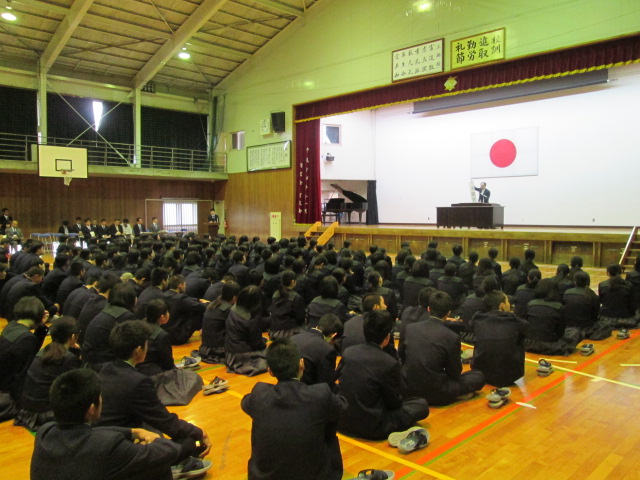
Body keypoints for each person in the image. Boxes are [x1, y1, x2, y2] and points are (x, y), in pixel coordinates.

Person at [30, 369, 195, 480]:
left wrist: (132, 432)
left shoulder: (45, 432)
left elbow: (94, 433)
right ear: (92, 409)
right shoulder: (107, 445)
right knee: (158, 467)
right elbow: (167, 452)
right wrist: (158, 440)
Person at [96, 321, 212, 460]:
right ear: (139, 350)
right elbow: (167, 422)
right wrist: (199, 433)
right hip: (118, 448)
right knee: (193, 443)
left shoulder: (106, 368)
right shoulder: (138, 382)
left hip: (103, 437)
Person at [241, 338, 347, 480]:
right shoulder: (320, 394)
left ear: (270, 371)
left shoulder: (260, 394)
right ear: (302, 364)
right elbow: (342, 406)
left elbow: (245, 403)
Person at [337, 309, 429, 440]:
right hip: (372, 427)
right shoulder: (389, 363)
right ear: (387, 337)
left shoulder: (348, 352)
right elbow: (394, 403)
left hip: (343, 420)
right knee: (420, 405)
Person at [400, 291, 485, 406]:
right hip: (436, 392)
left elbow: (402, 357)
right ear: (448, 313)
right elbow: (455, 373)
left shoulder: (410, 328)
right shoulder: (452, 337)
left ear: (429, 309)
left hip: (408, 387)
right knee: (478, 376)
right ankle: (455, 395)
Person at [14, 316, 81, 431]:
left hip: (25, 410)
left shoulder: (45, 350)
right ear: (73, 336)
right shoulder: (68, 359)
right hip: (44, 414)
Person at [0, 296, 48, 422]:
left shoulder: (12, 326)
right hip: (6, 391)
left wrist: (41, 327)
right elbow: (21, 375)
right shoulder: (27, 339)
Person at [470, 290, 528, 387]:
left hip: (480, 372)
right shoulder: (513, 319)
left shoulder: (478, 318)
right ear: (502, 306)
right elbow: (526, 326)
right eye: (507, 301)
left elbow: (471, 326)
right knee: (520, 337)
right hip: (509, 375)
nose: (509, 304)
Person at [82, 283, 138, 371]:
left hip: (88, 362)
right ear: (133, 300)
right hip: (103, 366)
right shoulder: (126, 316)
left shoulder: (106, 309)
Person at [524, 278, 581, 356]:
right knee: (575, 332)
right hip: (551, 345)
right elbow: (560, 331)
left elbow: (526, 324)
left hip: (530, 344)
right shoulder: (559, 307)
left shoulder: (530, 304)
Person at [225, 285, 269, 376]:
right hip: (242, 355)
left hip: (229, 352)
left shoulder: (234, 308)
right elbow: (256, 343)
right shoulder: (252, 318)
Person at [291, 313, 343, 388]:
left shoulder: (293, 338)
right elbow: (326, 384)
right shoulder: (328, 350)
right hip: (310, 391)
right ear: (333, 335)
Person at [199, 281, 240, 363]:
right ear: (234, 298)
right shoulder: (228, 309)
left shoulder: (214, 303)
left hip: (205, 346)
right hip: (217, 349)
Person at [563, 271, 611, 340]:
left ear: (575, 281)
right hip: (586, 327)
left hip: (569, 325)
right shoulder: (592, 295)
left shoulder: (567, 292)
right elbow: (595, 316)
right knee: (606, 326)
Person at [162, 274, 206, 345]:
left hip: (165, 335)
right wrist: (208, 304)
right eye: (185, 284)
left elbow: (188, 300)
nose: (185, 286)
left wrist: (197, 300)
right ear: (180, 285)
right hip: (176, 338)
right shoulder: (180, 299)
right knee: (198, 312)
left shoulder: (164, 294)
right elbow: (201, 307)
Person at [598, 264, 637, 329]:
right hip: (625, 319)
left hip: (606, 318)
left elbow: (601, 301)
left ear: (608, 273)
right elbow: (632, 304)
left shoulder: (602, 285)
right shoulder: (629, 285)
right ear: (620, 272)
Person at [269, 270, 306, 338]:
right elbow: (300, 319)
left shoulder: (275, 294)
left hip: (274, 330)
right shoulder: (296, 297)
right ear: (292, 281)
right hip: (289, 332)